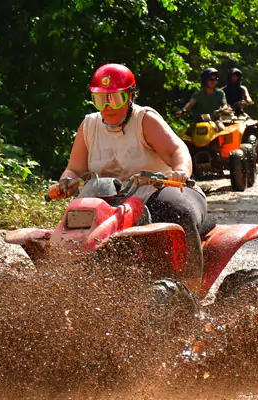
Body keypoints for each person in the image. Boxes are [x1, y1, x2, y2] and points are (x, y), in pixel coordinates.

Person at [47, 63, 207, 293]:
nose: (108, 107)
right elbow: (74, 170)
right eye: (101, 100)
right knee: (76, 222)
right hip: (108, 197)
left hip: (158, 188)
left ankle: (192, 290)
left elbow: (176, 151)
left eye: (115, 99)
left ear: (130, 96)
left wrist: (180, 170)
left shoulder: (145, 119)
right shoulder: (89, 125)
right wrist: (65, 183)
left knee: (175, 210)